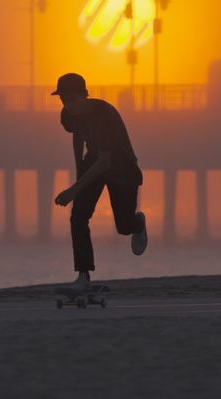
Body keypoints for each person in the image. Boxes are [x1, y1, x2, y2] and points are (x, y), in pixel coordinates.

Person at [53, 72, 148, 290]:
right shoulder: (68, 114)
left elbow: (105, 163)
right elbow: (77, 136)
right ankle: (83, 276)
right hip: (94, 161)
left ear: (84, 95)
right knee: (78, 217)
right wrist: (79, 171)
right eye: (63, 100)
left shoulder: (104, 116)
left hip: (121, 168)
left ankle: (138, 223)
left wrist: (74, 190)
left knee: (123, 227)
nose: (68, 105)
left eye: (72, 99)